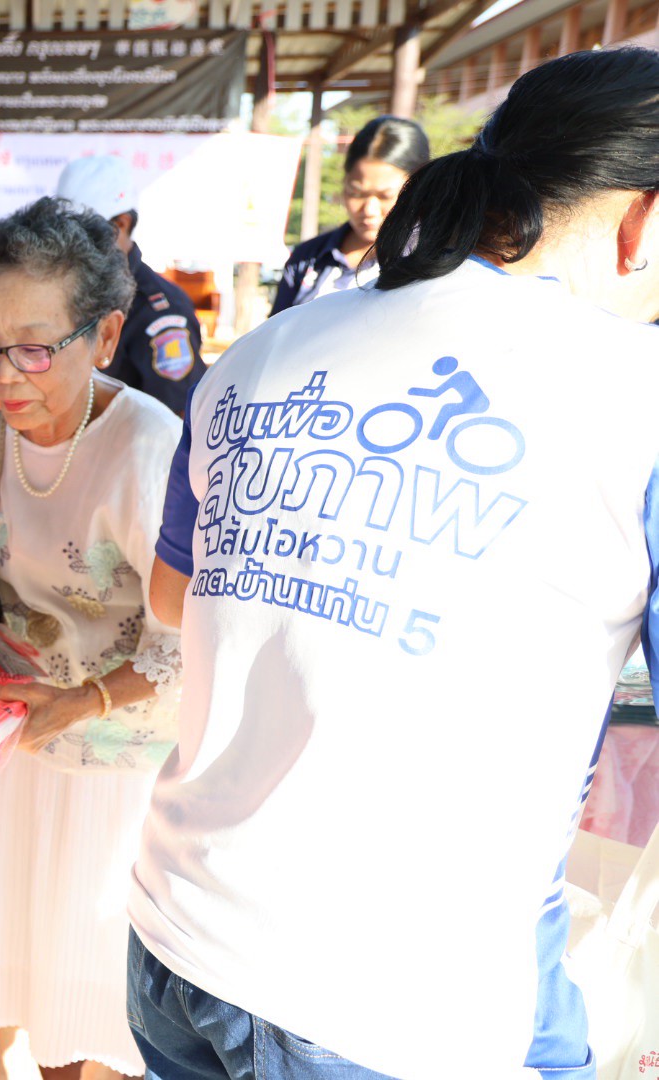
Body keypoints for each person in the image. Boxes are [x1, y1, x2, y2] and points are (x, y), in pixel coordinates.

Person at [134, 48, 659, 1080]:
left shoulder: (266, 348)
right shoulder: (633, 393)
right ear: (642, 218)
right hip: (383, 996)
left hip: (177, 932)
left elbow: (171, 595)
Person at [0, 196, 183, 1080]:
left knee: (83, 1003)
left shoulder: (146, 450)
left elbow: (188, 642)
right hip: (11, 743)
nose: (6, 376)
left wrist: (82, 701)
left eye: (34, 348)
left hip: (111, 771)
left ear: (105, 337)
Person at [55, 155, 204, 415]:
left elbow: (177, 417)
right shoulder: (61, 290)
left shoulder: (161, 310)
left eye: (82, 231)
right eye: (63, 229)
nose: (70, 241)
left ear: (121, 224)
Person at [270, 115, 430, 315]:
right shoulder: (308, 258)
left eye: (385, 196)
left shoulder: (431, 261)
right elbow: (276, 330)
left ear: (419, 190)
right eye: (356, 193)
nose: (369, 210)